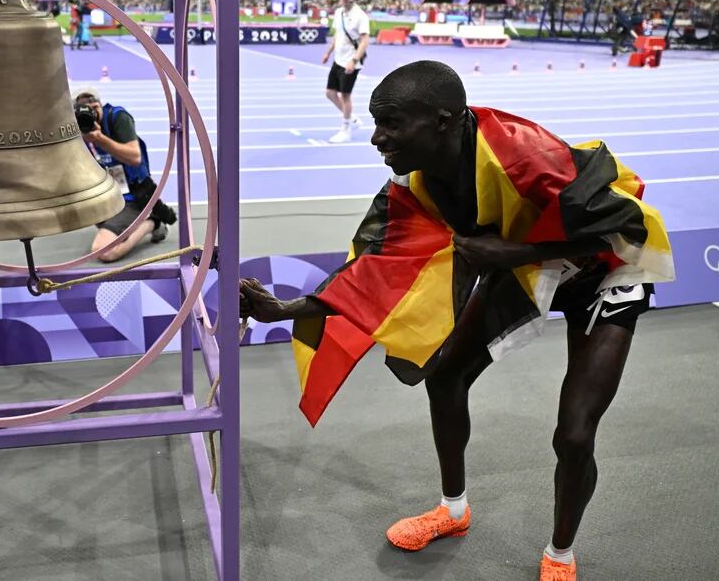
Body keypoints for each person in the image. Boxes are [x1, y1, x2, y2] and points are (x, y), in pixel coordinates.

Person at [239, 61, 673, 581]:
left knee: (575, 435)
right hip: (525, 261)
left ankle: (560, 555)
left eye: (392, 123)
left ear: (443, 121)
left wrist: (512, 251)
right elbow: (370, 270)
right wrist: (284, 310)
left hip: (605, 268)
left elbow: (623, 228)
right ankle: (453, 510)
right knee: (445, 378)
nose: (377, 137)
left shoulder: (526, 155)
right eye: (377, 123)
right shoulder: (413, 180)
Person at [73, 87, 176, 262]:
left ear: (100, 104)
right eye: (82, 105)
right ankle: (128, 223)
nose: (89, 108)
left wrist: (99, 138)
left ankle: (152, 222)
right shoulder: (77, 128)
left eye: (92, 102)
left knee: (103, 251)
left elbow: (135, 157)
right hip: (107, 195)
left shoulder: (118, 118)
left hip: (133, 196)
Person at [322, 0, 370, 143]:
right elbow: (338, 35)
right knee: (329, 93)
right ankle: (352, 119)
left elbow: (364, 41)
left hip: (351, 62)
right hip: (338, 59)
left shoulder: (360, 16)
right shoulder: (338, 13)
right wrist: (328, 53)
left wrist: (354, 60)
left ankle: (346, 129)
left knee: (345, 96)